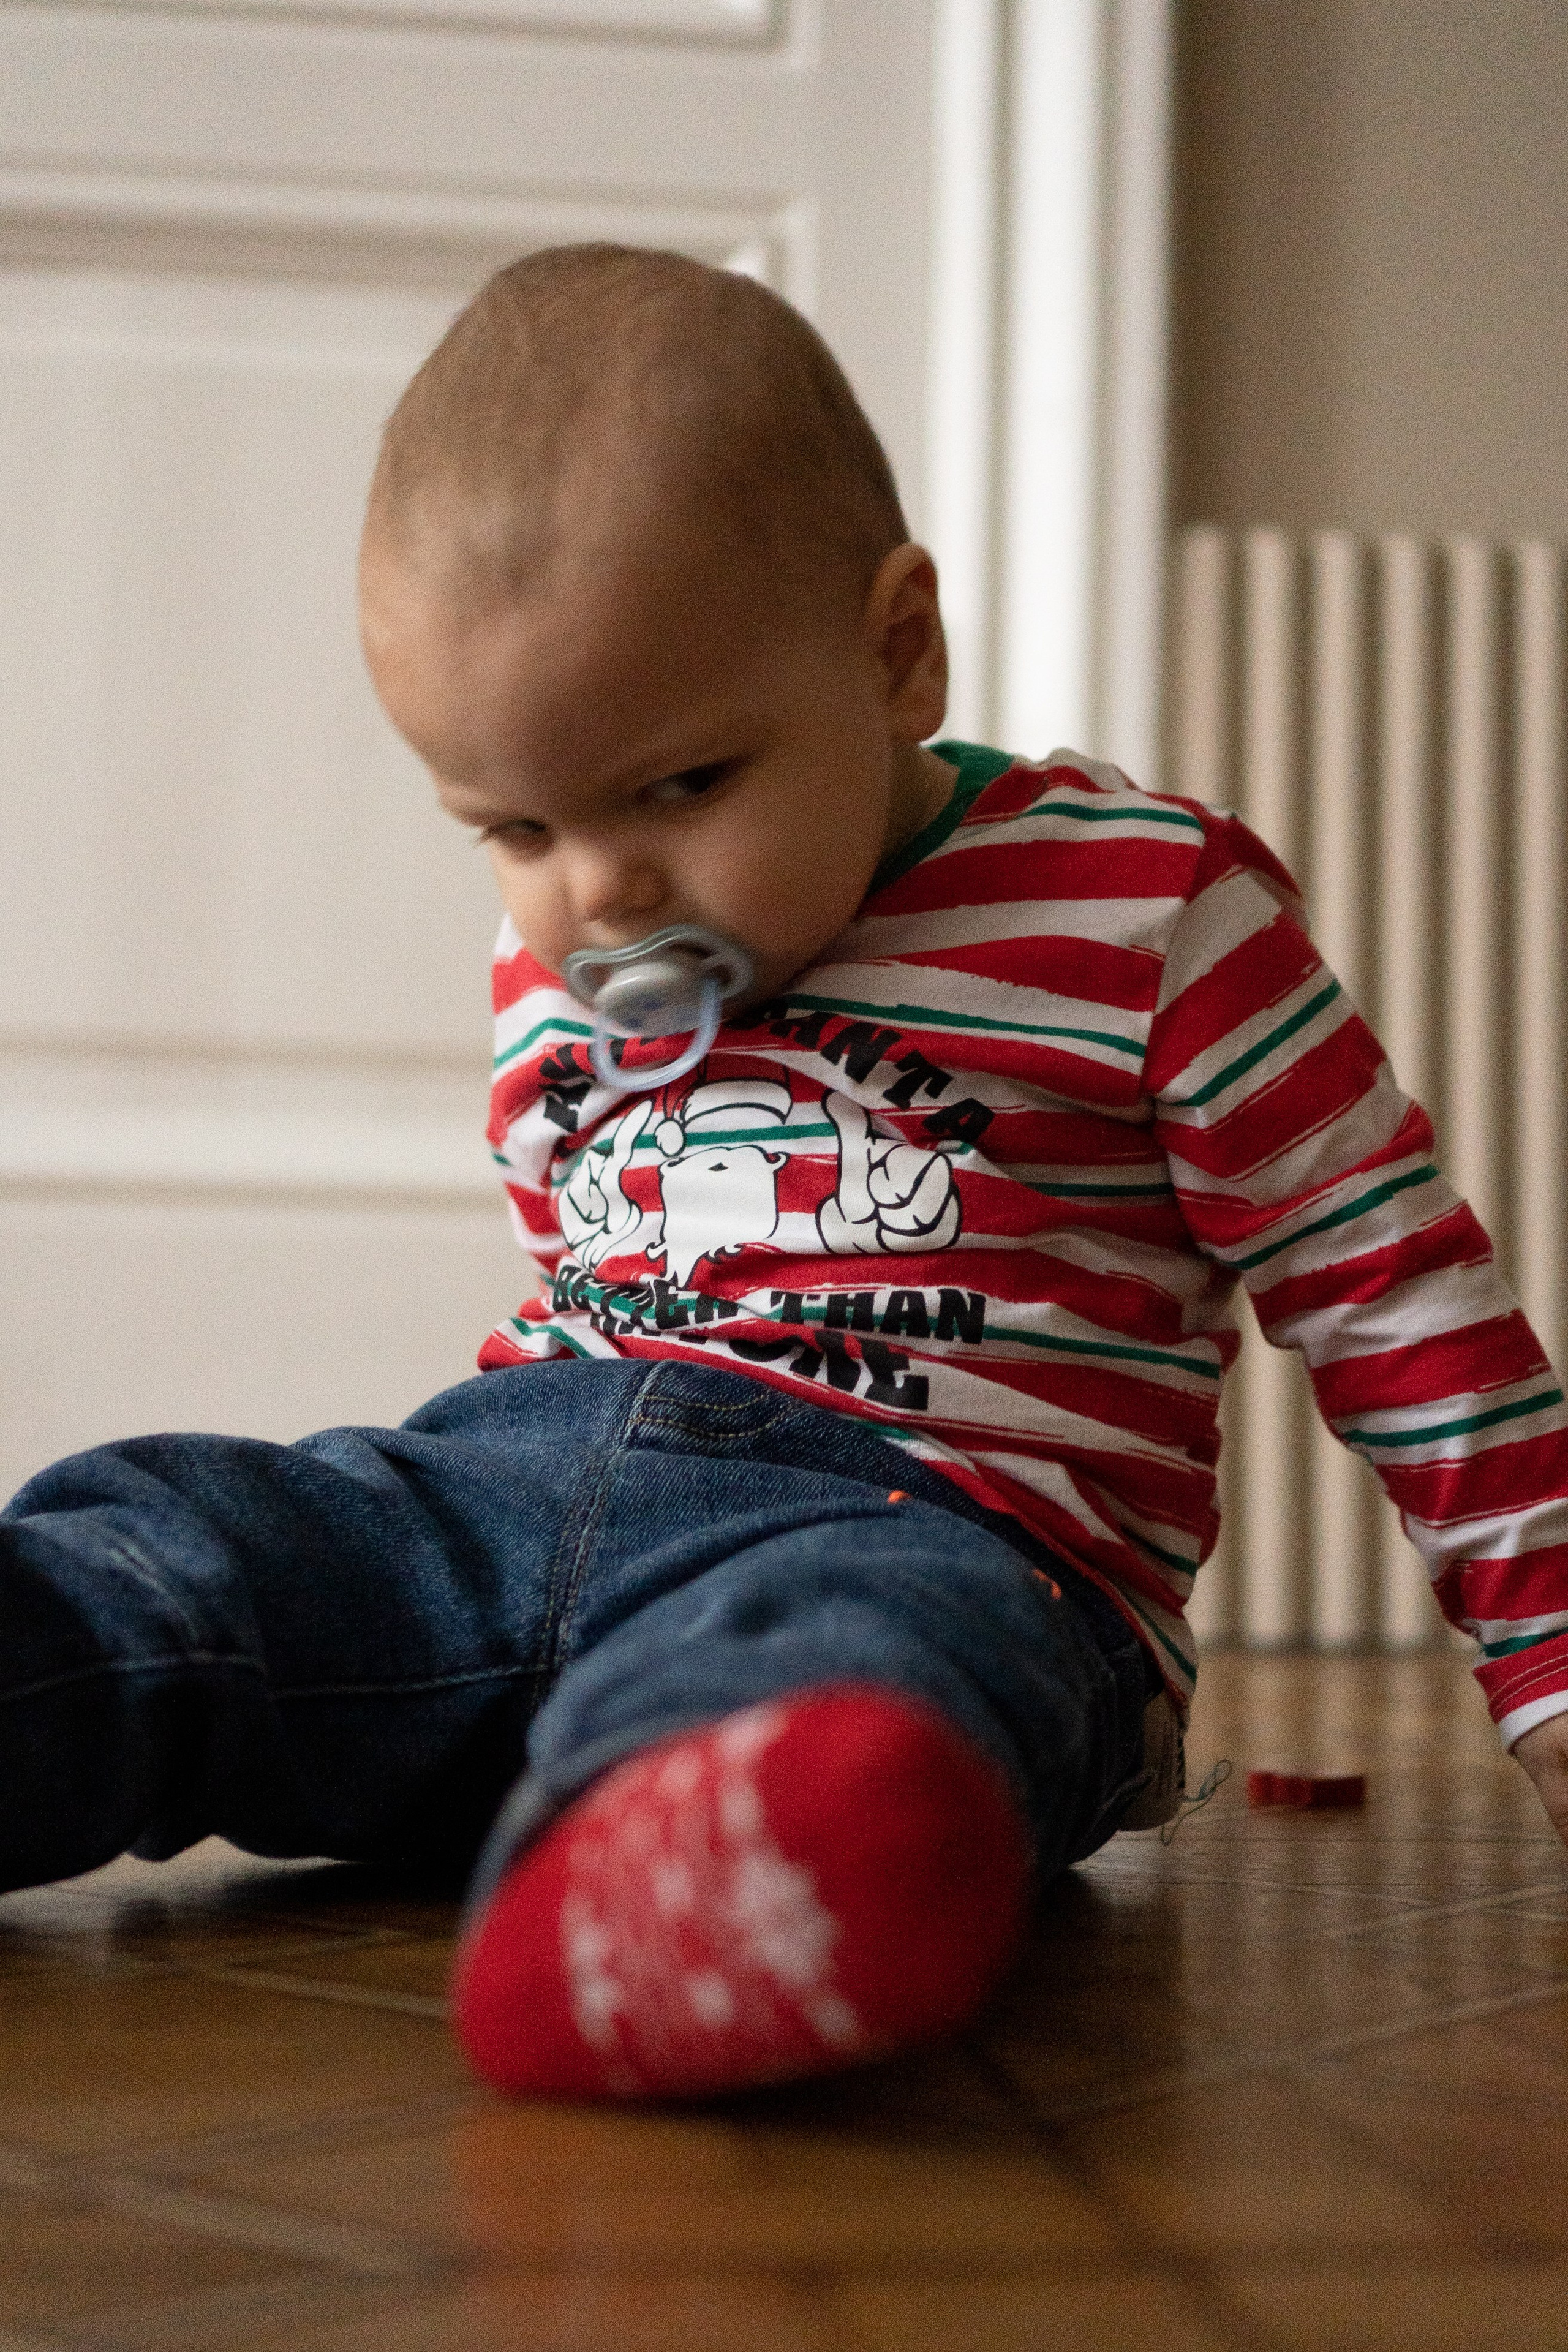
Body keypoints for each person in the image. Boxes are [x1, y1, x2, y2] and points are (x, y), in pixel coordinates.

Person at [7, 246, 1568, 2106]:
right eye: (515, 823)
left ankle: (720, 1866)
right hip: (522, 1478)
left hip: (941, 1526)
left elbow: (1392, 1294)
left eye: (681, 786)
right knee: (202, 1542)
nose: (600, 894)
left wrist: (1550, 1662)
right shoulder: (558, 957)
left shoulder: (1145, 909)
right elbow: (577, 1282)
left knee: (867, 1664)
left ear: (898, 651)